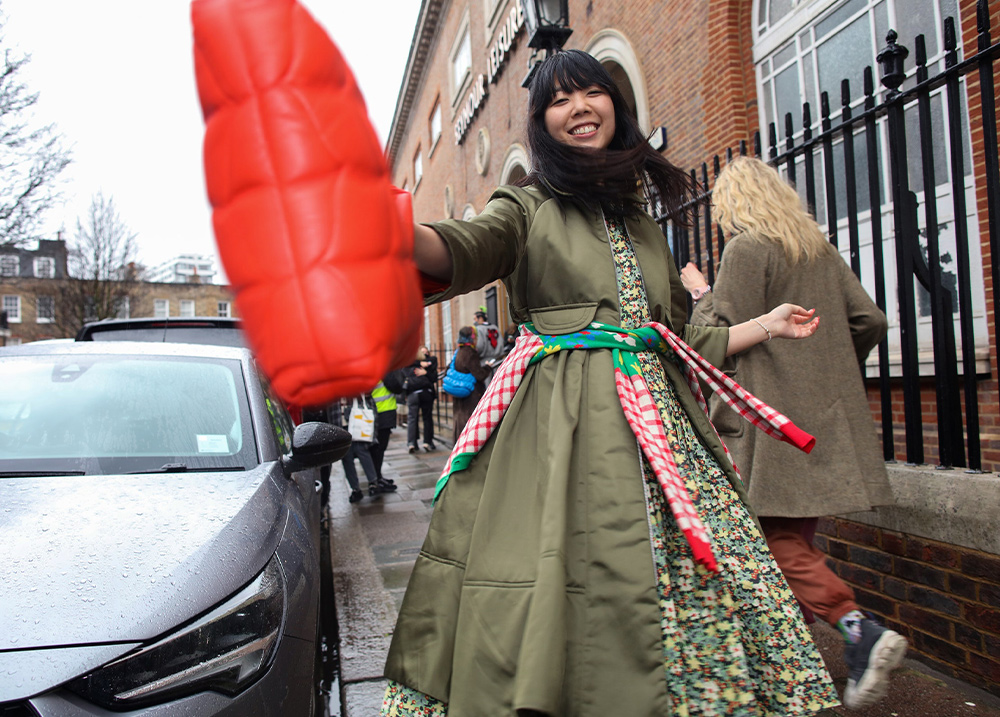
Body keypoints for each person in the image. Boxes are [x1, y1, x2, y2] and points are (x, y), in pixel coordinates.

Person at [380, 50, 838, 716]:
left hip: (664, 431)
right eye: (560, 100)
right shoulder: (527, 205)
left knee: (708, 576)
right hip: (557, 429)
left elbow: (681, 339)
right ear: (543, 122)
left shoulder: (644, 223)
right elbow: (464, 245)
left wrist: (766, 323)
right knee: (562, 583)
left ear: (616, 107)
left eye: (593, 92)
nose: (580, 107)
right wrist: (389, 226)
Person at [681, 155, 906, 710]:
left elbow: (716, 331)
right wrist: (826, 372)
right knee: (794, 538)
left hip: (766, 420)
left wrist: (699, 291)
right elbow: (870, 321)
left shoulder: (748, 247)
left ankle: (858, 630)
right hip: (821, 416)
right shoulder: (817, 249)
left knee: (766, 541)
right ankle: (794, 663)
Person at [332, 395, 395, 502]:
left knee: (362, 451)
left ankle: (373, 483)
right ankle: (355, 489)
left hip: (358, 422)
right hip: (341, 426)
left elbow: (368, 399)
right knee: (347, 457)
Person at [449, 326, 490, 441]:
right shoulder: (470, 353)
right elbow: (479, 374)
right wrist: (488, 367)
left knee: (459, 419)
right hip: (471, 393)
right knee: (470, 421)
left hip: (460, 392)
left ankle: (458, 445)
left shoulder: (458, 352)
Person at [369, 372, 402, 491]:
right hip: (383, 412)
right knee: (379, 448)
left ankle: (377, 477)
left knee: (375, 448)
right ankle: (376, 479)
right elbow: (397, 387)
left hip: (373, 413)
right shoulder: (382, 368)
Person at [403, 346, 438, 453]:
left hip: (413, 393)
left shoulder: (408, 365)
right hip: (426, 392)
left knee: (412, 419)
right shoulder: (425, 365)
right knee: (427, 418)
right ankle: (427, 442)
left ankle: (411, 443)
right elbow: (434, 377)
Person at [473, 308, 505, 381]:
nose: (474, 321)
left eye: (475, 319)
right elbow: (501, 342)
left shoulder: (478, 329)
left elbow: (479, 346)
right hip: (497, 360)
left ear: (480, 318)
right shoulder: (495, 327)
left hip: (484, 362)